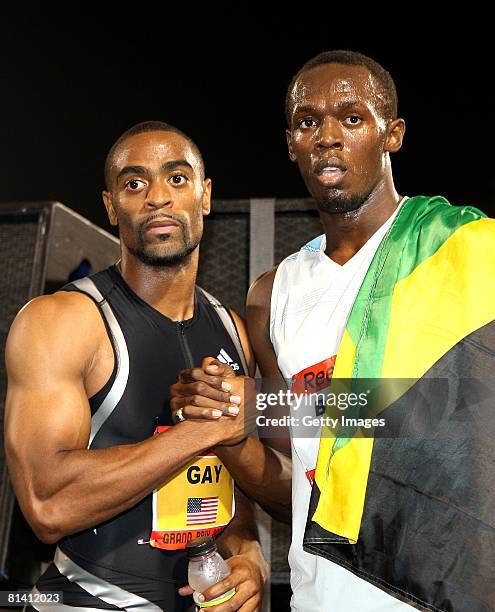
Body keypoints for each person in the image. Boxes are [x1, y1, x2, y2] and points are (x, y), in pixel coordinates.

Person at [169, 50, 495, 612]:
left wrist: (257, 405)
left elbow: (454, 404)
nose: (326, 137)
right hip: (319, 595)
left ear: (391, 134)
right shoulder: (274, 293)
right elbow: (290, 489)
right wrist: (228, 431)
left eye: (350, 118)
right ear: (290, 143)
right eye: (307, 122)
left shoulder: (462, 251)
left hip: (435, 591)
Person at [4, 121, 268, 611]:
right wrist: (197, 433)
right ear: (110, 206)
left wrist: (248, 553)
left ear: (205, 196)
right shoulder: (61, 322)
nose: (157, 198)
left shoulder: (234, 331)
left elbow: (231, 485)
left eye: (176, 178)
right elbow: (47, 503)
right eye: (134, 183)